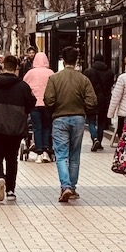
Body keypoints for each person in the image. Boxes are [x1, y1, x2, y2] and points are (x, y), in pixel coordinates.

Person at [44, 47, 97, 203]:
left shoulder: (54, 79)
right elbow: (92, 101)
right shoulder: (83, 79)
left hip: (59, 118)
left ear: (63, 60)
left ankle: (65, 185)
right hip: (78, 118)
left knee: (61, 155)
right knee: (75, 155)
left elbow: (49, 100)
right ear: (76, 60)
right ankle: (72, 187)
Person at [0, 54, 36, 203]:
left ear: (3, 66)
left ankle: (0, 177)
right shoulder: (22, 86)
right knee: (12, 158)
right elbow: (31, 103)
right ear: (16, 68)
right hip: (14, 128)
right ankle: (11, 189)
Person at [22, 51, 54, 162]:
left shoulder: (30, 73)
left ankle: (39, 152)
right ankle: (46, 151)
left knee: (37, 128)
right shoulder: (51, 73)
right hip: (47, 105)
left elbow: (24, 86)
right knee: (46, 127)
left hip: (34, 104)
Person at [83, 55, 116, 152]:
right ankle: (100, 142)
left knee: (91, 121)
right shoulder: (110, 72)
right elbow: (110, 86)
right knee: (101, 121)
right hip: (104, 100)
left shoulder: (88, 72)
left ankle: (95, 138)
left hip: (91, 99)